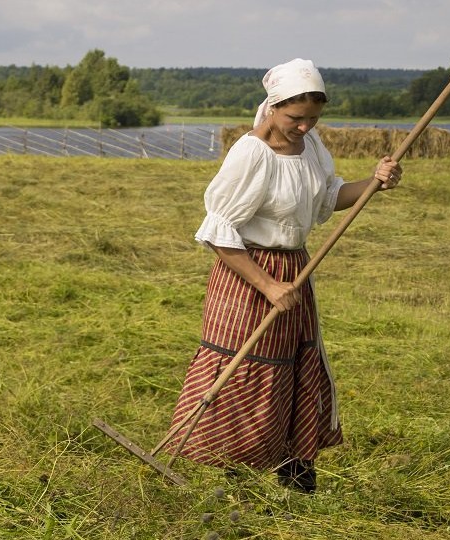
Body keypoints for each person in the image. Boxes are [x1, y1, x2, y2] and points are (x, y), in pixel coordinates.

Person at [165, 58, 402, 494]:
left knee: (294, 366)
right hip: (247, 274)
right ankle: (233, 470)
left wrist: (374, 182)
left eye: (314, 118)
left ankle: (294, 468)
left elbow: (330, 197)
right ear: (273, 107)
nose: (305, 127)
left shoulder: (311, 148)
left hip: (296, 269)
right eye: (296, 118)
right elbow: (218, 233)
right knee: (244, 368)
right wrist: (269, 285)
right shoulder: (251, 153)